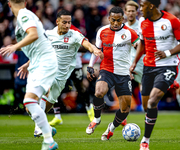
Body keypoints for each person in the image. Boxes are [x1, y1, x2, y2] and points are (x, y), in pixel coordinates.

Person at [28, 9, 103, 136]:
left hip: (63, 76)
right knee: (45, 90)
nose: (67, 25)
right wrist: (26, 62)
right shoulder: (48, 34)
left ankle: (39, 119)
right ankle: (37, 125)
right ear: (57, 22)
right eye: (64, 22)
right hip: (48, 70)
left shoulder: (74, 34)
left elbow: (86, 43)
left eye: (69, 22)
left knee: (51, 100)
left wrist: (94, 49)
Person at [129, 0, 180, 150]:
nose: (139, 9)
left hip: (168, 66)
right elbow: (142, 43)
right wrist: (135, 62)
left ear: (151, 6)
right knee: (145, 106)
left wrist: (167, 53)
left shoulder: (172, 21)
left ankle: (145, 141)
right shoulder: (142, 22)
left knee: (152, 101)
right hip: (148, 67)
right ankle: (170, 84)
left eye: (142, 6)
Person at [0, 0, 59, 150]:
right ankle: (47, 128)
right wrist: (28, 63)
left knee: (29, 101)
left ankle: (48, 140)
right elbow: (37, 41)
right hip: (36, 62)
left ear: (9, 3)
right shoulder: (23, 16)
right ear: (25, 2)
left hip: (45, 61)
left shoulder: (24, 15)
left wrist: (14, 46)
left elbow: (32, 35)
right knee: (29, 106)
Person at [85, 6, 139, 141]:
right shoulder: (102, 31)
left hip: (124, 73)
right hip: (107, 69)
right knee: (99, 92)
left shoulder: (130, 33)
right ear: (109, 18)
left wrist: (134, 64)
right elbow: (97, 50)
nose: (116, 23)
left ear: (123, 19)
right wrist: (91, 66)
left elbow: (140, 48)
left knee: (125, 109)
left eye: (119, 20)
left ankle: (111, 128)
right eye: (113, 20)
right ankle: (96, 119)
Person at [125, 0, 144, 111]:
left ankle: (144, 107)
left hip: (141, 60)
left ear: (137, 12)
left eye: (133, 11)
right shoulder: (123, 27)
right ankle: (124, 110)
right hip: (126, 61)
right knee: (123, 86)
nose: (131, 13)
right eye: (129, 11)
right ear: (125, 12)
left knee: (144, 88)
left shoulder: (141, 25)